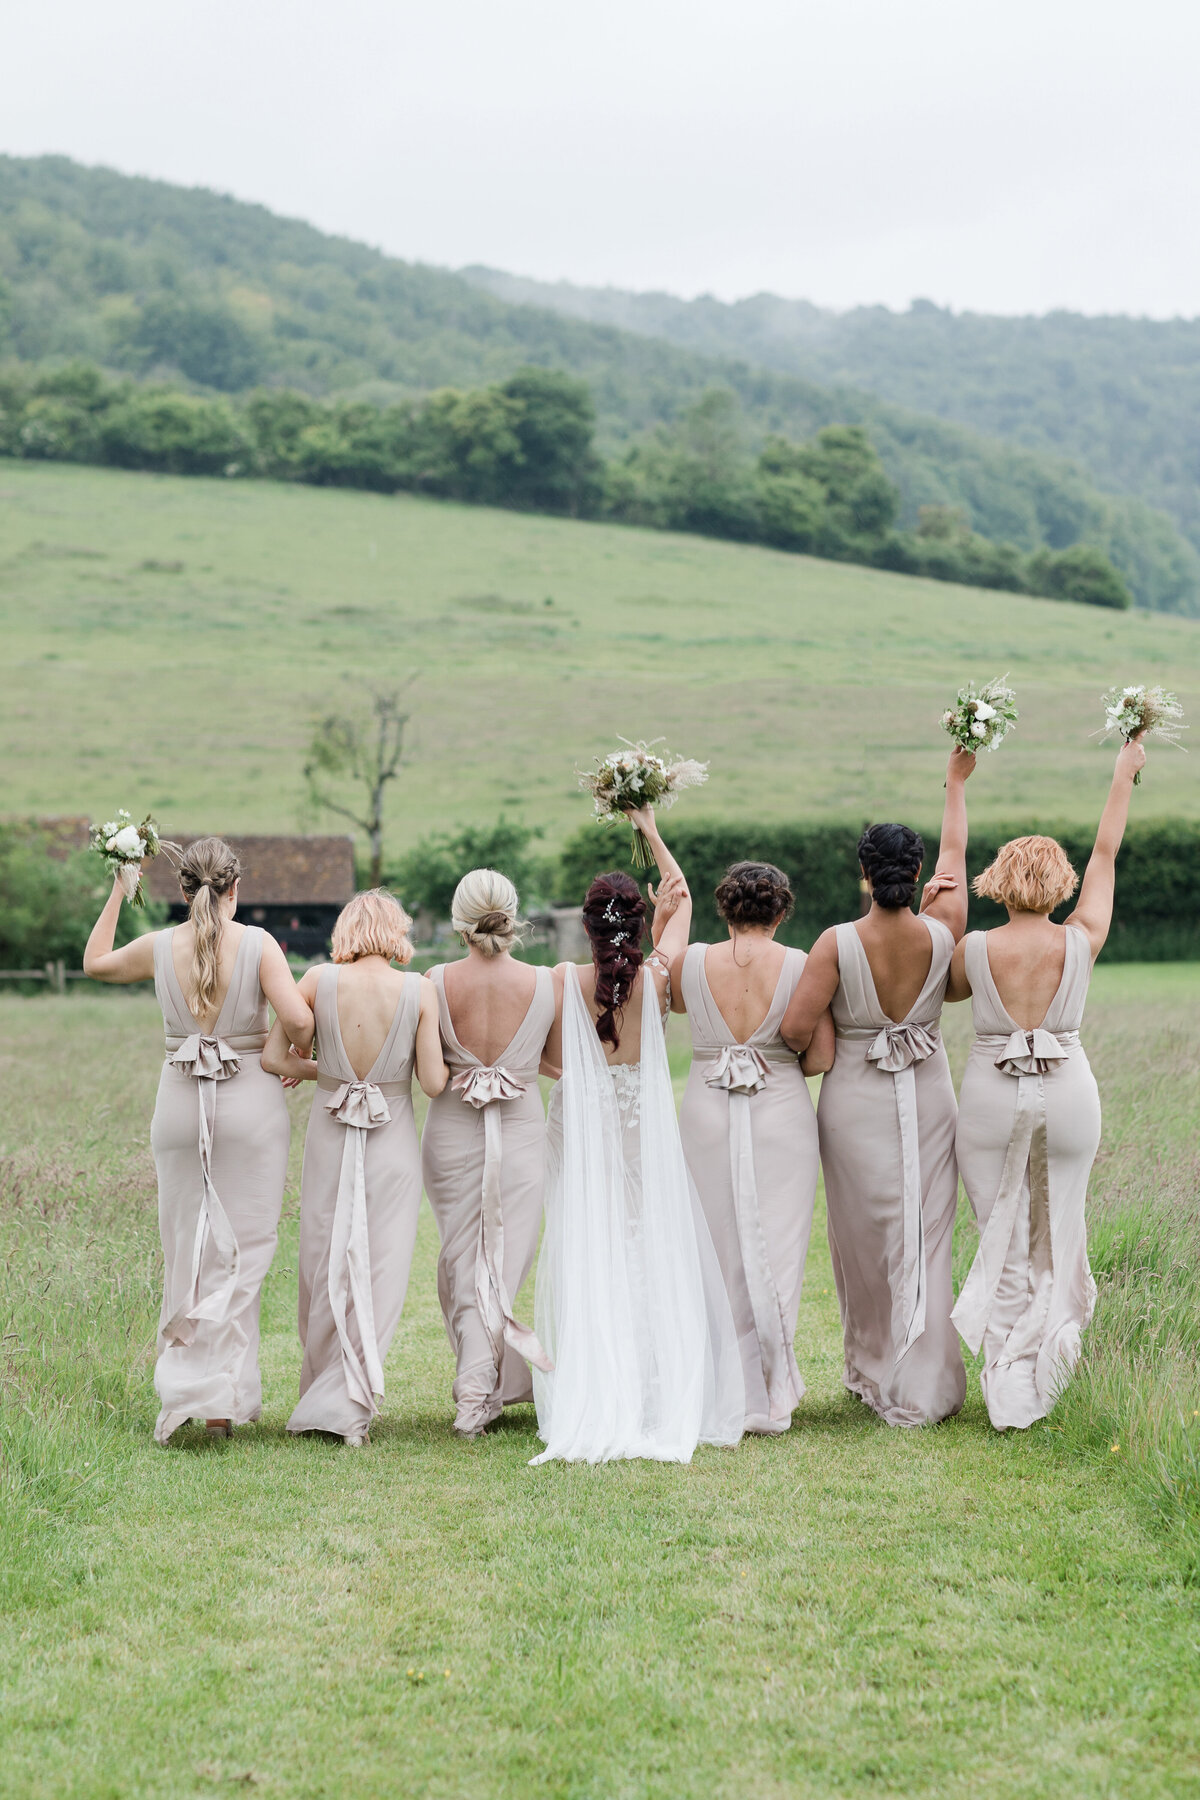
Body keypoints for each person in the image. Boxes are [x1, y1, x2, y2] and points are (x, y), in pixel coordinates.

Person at [941, 736, 1145, 1429]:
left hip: (991, 1095)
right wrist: (1123, 773)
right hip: (1068, 1093)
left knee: (998, 1233)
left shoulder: (971, 950)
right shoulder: (1083, 937)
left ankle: (1005, 1382)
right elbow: (1107, 853)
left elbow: (947, 995)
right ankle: (1049, 1367)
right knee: (1059, 1232)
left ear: (999, 880)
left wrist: (956, 790)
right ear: (1058, 883)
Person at [532, 806, 745, 1464]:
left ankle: (596, 1383)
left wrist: (578, 1074)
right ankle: (655, 1391)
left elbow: (538, 1055)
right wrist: (650, 829)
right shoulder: (656, 980)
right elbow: (680, 898)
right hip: (639, 1127)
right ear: (639, 921)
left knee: (589, 1239)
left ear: (588, 925)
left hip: (584, 1117)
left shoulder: (563, 981)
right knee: (646, 1240)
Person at [83, 837, 313, 1444]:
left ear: (183, 892)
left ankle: (186, 1395)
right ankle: (223, 1402)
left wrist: (117, 890)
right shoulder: (259, 945)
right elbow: (299, 1019)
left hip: (178, 1103)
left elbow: (95, 962)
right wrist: (294, 1055)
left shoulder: (159, 946)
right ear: (235, 889)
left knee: (186, 1250)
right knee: (245, 1250)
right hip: (250, 1105)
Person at [781, 747, 976, 1426]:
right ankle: (922, 1380)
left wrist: (836, 1039)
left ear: (864, 875)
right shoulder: (943, 935)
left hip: (854, 1100)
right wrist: (955, 785)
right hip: (928, 1091)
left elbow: (797, 1028)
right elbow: (956, 862)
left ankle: (872, 1370)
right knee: (927, 1234)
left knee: (862, 1237)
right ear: (917, 873)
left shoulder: (835, 943)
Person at [262, 890, 447, 1447]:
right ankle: (350, 1405)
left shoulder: (318, 979)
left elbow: (274, 1059)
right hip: (391, 1141)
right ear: (396, 931)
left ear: (347, 930)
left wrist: (327, 1070)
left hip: (330, 1135)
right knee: (381, 1267)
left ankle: (321, 1394)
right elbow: (434, 1084)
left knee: (322, 1257)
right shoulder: (419, 990)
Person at [672, 861, 834, 1434]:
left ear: (725, 908)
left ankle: (719, 1386)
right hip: (780, 1114)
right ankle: (768, 1395)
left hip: (705, 1112)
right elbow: (819, 1058)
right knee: (778, 1249)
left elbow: (670, 1002)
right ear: (781, 911)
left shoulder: (690, 962)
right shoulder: (803, 964)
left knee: (713, 1249)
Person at [422, 870, 556, 1437]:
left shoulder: (432, 980)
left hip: (451, 1127)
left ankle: (476, 1390)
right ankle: (485, 1385)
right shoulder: (545, 982)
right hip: (522, 1129)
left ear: (459, 920)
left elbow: (427, 1073)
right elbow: (551, 1060)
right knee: (497, 1267)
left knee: (462, 1264)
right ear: (512, 912)